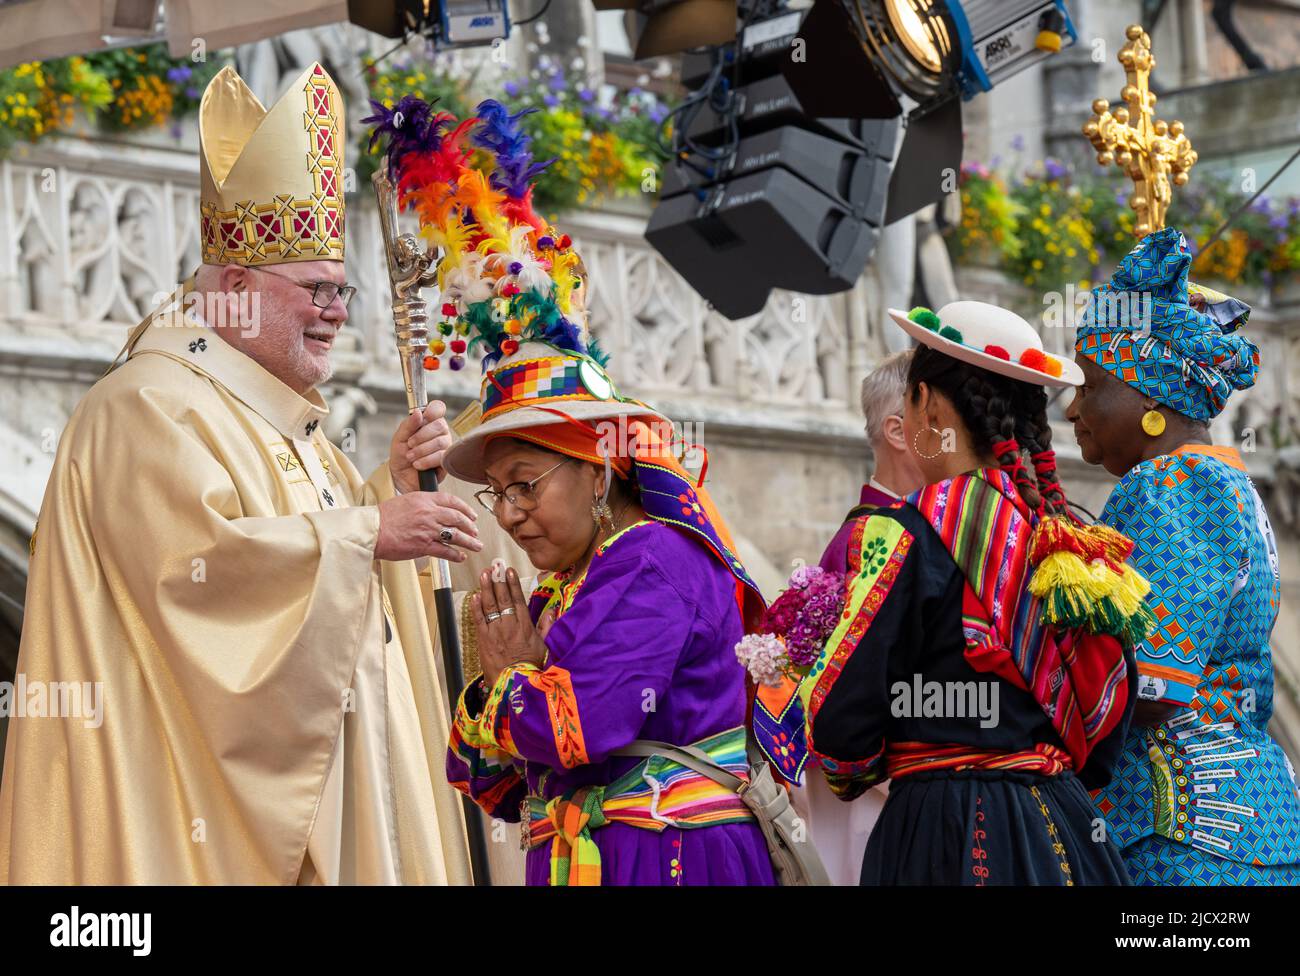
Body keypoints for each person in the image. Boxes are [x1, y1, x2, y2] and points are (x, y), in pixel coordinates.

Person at [0, 63, 482, 884]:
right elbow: (196, 579)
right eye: (316, 290)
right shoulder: (149, 405)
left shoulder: (281, 419)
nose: (337, 310)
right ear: (232, 289)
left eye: (343, 289)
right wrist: (369, 532)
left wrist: (385, 494)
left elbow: (312, 547)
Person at [364, 96, 775, 885]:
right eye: (497, 495)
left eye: (524, 484)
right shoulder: (565, 589)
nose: (510, 514)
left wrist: (508, 680)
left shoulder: (655, 558)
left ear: (598, 468)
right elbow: (483, 778)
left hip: (667, 860)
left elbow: (573, 729)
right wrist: (510, 691)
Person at [802, 300, 1146, 885]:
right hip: (1060, 827)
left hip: (940, 830)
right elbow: (1109, 722)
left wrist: (867, 767)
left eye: (910, 402)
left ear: (928, 406)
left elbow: (841, 723)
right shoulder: (1076, 549)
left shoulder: (903, 533)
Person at [1069, 227, 1300, 885]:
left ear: (1148, 397)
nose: (1073, 407)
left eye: (1091, 385)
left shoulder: (1171, 483)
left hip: (1183, 835)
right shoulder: (1225, 478)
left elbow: (1149, 679)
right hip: (1246, 827)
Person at [756, 350, 924, 884]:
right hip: (876, 795)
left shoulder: (902, 529)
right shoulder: (873, 541)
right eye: (942, 420)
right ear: (898, 431)